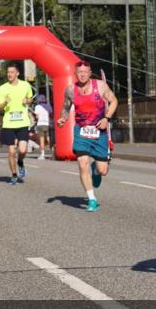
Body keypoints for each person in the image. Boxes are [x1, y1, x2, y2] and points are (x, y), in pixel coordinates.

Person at [57, 60, 117, 212]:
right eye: (79, 72)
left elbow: (114, 100)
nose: (82, 75)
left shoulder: (100, 86)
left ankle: (95, 169)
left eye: (85, 72)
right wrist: (62, 119)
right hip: (81, 132)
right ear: (75, 74)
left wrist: (106, 118)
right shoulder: (71, 90)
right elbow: (66, 107)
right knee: (82, 164)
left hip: (99, 131)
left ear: (90, 73)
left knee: (102, 170)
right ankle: (92, 199)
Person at [0, 64, 33, 184]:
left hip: (22, 122)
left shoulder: (25, 85)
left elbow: (30, 99)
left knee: (22, 150)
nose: (9, 74)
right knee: (11, 151)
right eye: (8, 72)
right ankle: (14, 174)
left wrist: (27, 101)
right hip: (8, 124)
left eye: (12, 72)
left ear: (17, 73)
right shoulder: (3, 88)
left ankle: (20, 162)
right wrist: (4, 103)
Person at [33, 93, 53, 159]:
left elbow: (37, 117)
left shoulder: (37, 107)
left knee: (42, 140)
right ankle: (53, 153)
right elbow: (51, 114)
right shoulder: (48, 106)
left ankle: (42, 155)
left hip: (40, 124)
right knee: (49, 139)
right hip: (47, 124)